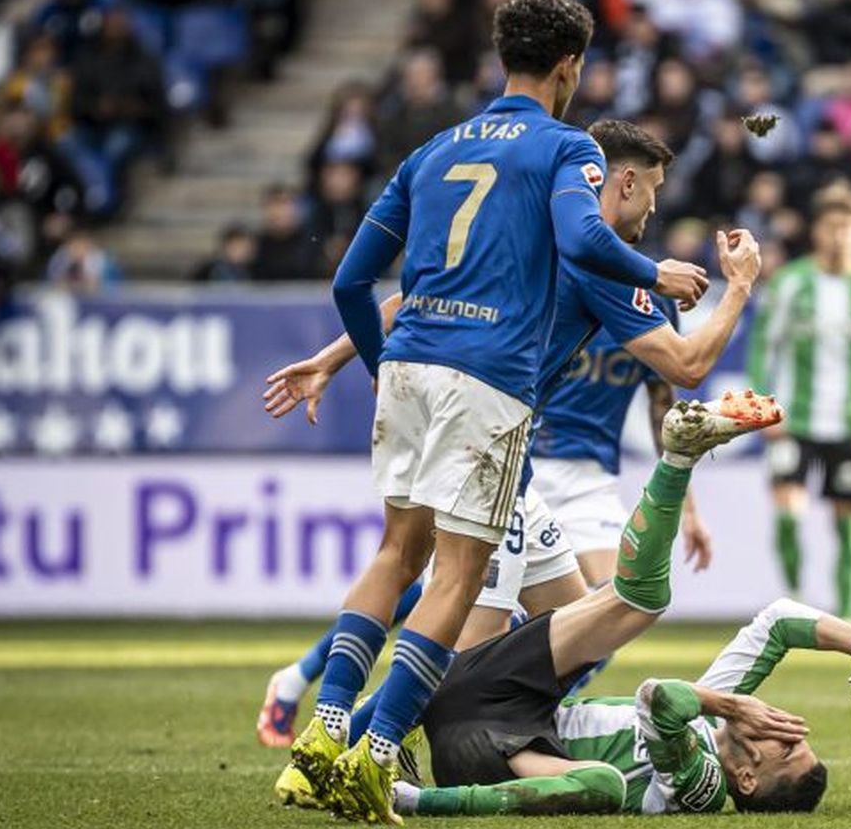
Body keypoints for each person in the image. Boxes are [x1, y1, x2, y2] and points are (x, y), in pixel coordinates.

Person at [287, 0, 708, 825]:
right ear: (569, 68)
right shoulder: (567, 150)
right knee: (458, 573)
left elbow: (350, 281)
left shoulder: (432, 150)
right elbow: (588, 241)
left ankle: (324, 731)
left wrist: (373, 365)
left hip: (408, 363)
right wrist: (655, 272)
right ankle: (374, 758)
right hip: (487, 380)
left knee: (394, 553)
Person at [255, 120, 759, 750]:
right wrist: (740, 286)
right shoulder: (606, 262)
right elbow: (687, 367)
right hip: (498, 447)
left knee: (577, 626)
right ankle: (350, 746)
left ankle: (384, 724)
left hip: (521, 463)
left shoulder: (528, 232)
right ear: (623, 181)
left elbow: (414, 300)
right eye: (652, 189)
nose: (655, 206)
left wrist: (331, 360)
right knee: (466, 645)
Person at [388, 402, 851, 821]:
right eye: (794, 731)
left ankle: (410, 798)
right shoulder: (722, 719)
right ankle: (376, 726)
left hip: (487, 754)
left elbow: (659, 700)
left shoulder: (703, 787)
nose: (782, 723)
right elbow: (781, 619)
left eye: (784, 743)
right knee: (628, 600)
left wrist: (730, 702)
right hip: (506, 698)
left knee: (603, 785)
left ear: (747, 778)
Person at [746, 184, 851, 621]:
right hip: (793, 421)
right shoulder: (790, 284)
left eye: (849, 228)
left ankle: (847, 616)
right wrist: (762, 407)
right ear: (817, 231)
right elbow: (764, 345)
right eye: (832, 226)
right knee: (788, 515)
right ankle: (797, 602)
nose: (840, 236)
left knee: (848, 523)